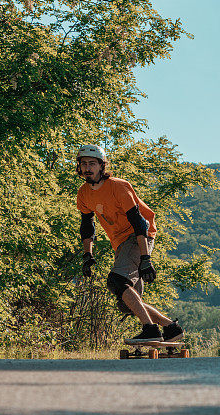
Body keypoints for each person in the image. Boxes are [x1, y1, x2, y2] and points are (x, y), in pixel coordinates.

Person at [75, 144, 184, 344]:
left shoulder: (118, 186)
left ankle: (150, 329)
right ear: (79, 167)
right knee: (128, 303)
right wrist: (87, 255)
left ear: (101, 166)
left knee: (116, 281)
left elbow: (138, 222)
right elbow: (87, 226)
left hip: (139, 235)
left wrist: (145, 259)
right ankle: (171, 327)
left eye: (92, 163)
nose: (88, 168)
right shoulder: (83, 193)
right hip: (120, 242)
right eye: (84, 164)